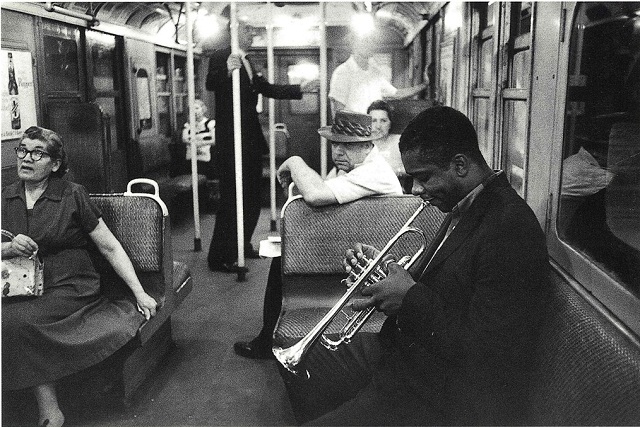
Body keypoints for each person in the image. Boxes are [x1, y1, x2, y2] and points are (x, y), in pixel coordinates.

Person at [279, 106, 551, 425]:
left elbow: (487, 354)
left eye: (423, 178)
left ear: (460, 165)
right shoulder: (465, 205)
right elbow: (447, 284)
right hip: (409, 358)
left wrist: (407, 298)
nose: (417, 192)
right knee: (306, 361)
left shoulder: (509, 229)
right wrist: (384, 271)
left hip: (441, 397)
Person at [1, 126, 158, 427]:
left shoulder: (73, 194)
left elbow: (110, 247)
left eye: (37, 153)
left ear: (55, 164)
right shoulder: (5, 196)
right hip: (20, 282)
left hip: (69, 283)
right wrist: (8, 247)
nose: (26, 158)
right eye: (22, 150)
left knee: (15, 322)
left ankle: (50, 410)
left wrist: (139, 292)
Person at [233, 110, 402, 359]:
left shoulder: (371, 173)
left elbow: (314, 194)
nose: (338, 152)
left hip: (367, 254)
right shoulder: (367, 168)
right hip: (362, 241)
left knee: (284, 256)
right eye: (335, 144)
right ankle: (271, 335)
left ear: (368, 145)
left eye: (348, 146)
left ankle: (267, 340)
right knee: (284, 250)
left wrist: (294, 162)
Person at [206, 15, 318, 273]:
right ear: (232, 31)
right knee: (232, 198)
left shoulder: (248, 61)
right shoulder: (222, 56)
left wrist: (300, 89)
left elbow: (267, 89)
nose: (252, 32)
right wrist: (226, 71)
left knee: (252, 195)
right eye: (247, 28)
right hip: (231, 138)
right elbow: (211, 84)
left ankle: (241, 245)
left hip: (250, 138)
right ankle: (219, 256)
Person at [329, 33, 428, 116]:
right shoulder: (343, 72)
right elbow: (338, 111)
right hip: (353, 134)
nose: (370, 45)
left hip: (375, 131)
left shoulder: (375, 72)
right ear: (354, 45)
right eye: (365, 41)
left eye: (372, 42)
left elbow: (396, 94)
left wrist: (424, 85)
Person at [181, 99, 216, 180]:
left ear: (203, 109)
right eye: (192, 109)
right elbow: (184, 139)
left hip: (206, 158)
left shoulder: (210, 123)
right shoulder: (188, 125)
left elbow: (214, 140)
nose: (195, 111)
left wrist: (200, 143)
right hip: (191, 158)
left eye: (197, 108)